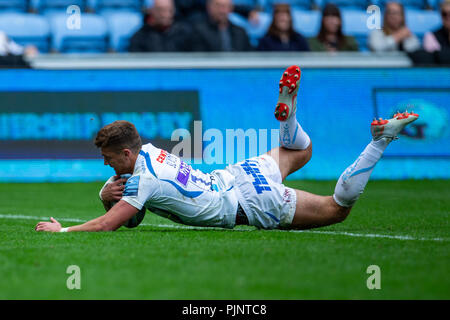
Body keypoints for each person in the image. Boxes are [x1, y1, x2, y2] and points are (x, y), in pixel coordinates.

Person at [35, 65, 419, 233]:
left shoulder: (142, 179)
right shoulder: (150, 152)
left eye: (107, 158)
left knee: (336, 211)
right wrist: (108, 195)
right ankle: (287, 118)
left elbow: (113, 223)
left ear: (124, 154)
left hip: (250, 203)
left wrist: (64, 230)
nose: (104, 164)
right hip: (240, 172)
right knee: (301, 152)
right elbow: (134, 217)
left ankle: (379, 140)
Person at [188, 0, 252, 52]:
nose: (222, 11)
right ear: (209, 7)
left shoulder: (240, 32)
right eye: (218, 6)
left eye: (226, 6)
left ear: (231, 8)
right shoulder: (198, 31)